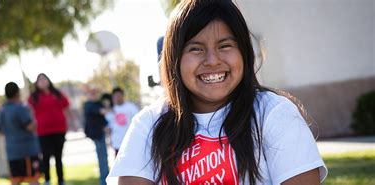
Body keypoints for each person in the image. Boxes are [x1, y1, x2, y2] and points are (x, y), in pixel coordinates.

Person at [107, 0, 328, 185]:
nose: (212, 61)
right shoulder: (148, 125)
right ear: (174, 60)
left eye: (225, 46)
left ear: (244, 52)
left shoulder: (274, 114)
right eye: (196, 48)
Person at [28, 73, 72, 185]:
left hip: (59, 130)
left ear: (48, 81)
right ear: (37, 83)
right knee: (46, 156)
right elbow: (29, 112)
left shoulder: (57, 94)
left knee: (58, 156)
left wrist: (71, 122)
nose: (43, 82)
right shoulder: (33, 97)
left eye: (44, 79)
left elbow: (67, 108)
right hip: (43, 132)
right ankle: (47, 180)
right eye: (40, 80)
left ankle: (61, 180)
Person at [0, 82, 41, 185]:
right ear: (17, 93)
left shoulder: (2, 111)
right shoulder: (20, 108)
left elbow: (0, 130)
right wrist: (32, 113)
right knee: (33, 179)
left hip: (11, 152)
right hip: (26, 150)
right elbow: (31, 127)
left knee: (15, 180)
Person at [83, 88, 109, 185]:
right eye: (91, 94)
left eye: (95, 94)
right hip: (96, 135)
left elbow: (103, 117)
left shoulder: (98, 103)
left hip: (101, 133)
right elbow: (100, 111)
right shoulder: (88, 105)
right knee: (102, 158)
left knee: (104, 157)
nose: (94, 96)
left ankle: (105, 180)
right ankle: (104, 181)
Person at [110, 87, 139, 155]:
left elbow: (138, 121)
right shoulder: (112, 109)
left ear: (122, 96)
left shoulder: (131, 107)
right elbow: (111, 126)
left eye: (118, 96)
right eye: (115, 96)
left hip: (130, 142)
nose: (117, 98)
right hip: (117, 142)